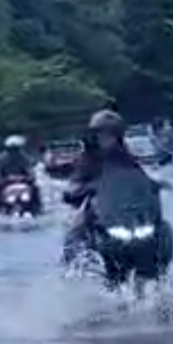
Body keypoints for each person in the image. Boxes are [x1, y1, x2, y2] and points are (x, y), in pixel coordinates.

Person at [62, 108, 145, 259]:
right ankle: (72, 267)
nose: (106, 139)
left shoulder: (125, 155)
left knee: (158, 226)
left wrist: (153, 184)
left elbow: (138, 175)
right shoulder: (87, 158)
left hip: (123, 208)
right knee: (76, 229)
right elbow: (75, 183)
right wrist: (81, 189)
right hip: (97, 207)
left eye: (110, 134)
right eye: (102, 134)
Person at [0, 133, 36, 209]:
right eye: (12, 149)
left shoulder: (24, 158)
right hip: (8, 183)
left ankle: (36, 204)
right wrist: (0, 179)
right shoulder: (3, 159)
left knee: (35, 187)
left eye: (15, 149)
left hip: (22, 182)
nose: (14, 152)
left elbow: (30, 169)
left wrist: (31, 177)